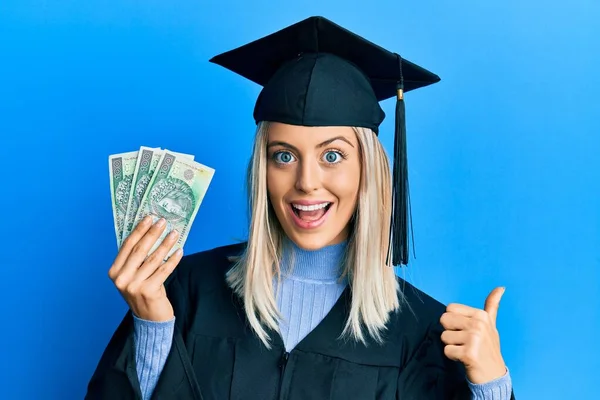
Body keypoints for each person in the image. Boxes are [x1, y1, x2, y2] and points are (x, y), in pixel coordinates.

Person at [86, 16, 515, 400]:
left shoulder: (421, 332)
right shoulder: (183, 293)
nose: (306, 181)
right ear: (262, 169)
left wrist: (492, 385)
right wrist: (154, 327)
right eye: (284, 155)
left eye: (333, 156)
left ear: (370, 170)